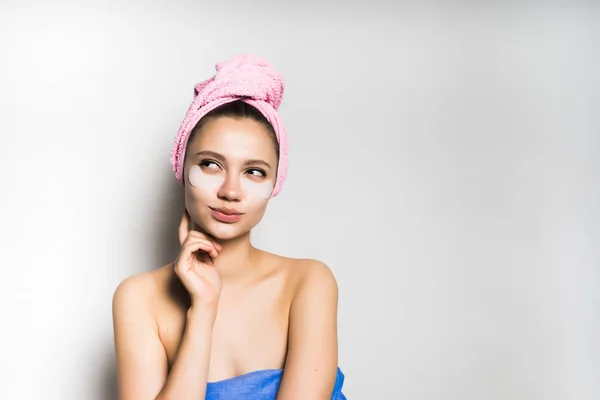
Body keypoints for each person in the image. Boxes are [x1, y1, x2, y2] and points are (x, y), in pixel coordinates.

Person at [112, 53, 347, 399]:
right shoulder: (139, 298)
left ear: (275, 183)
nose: (231, 191)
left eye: (254, 172)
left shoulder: (308, 282)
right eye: (210, 165)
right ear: (181, 167)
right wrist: (203, 311)